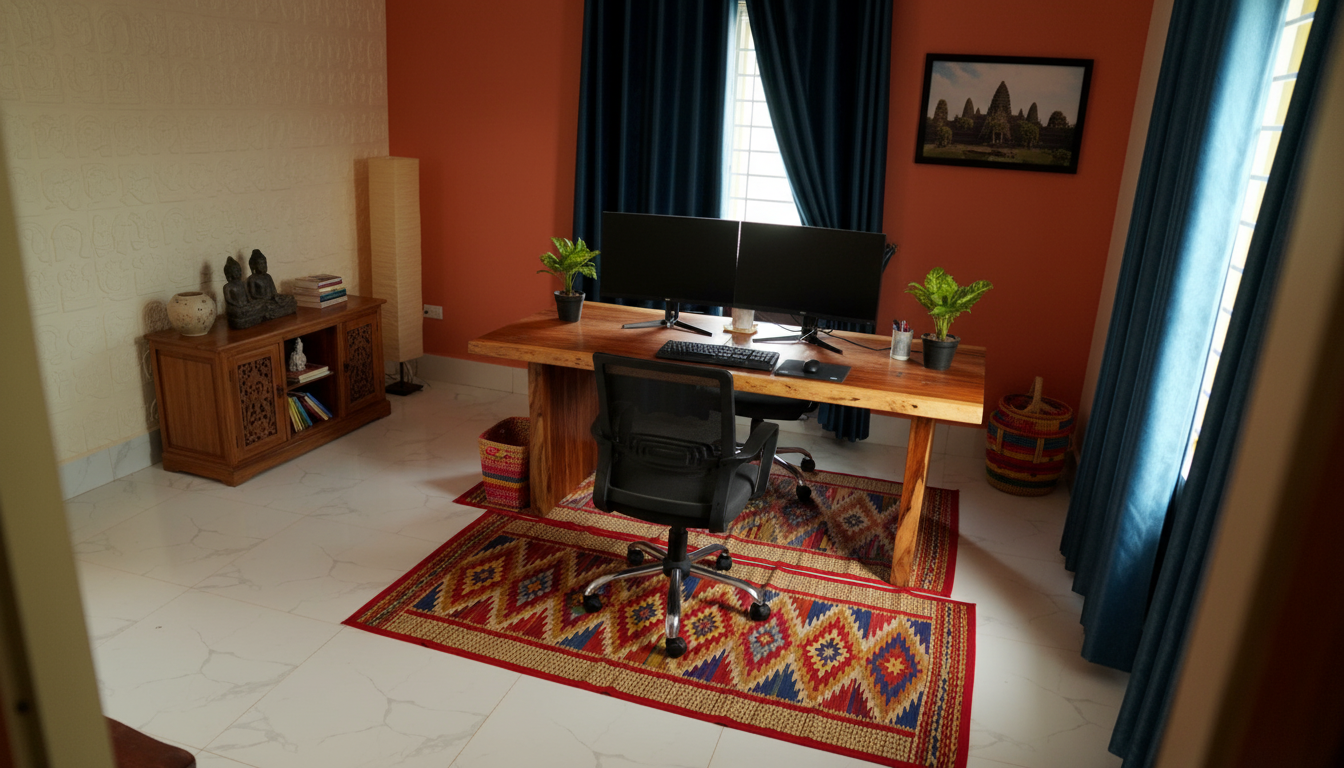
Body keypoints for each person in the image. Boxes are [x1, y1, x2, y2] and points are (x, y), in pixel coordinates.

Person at [245, 249, 297, 321]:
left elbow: (274, 291)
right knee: (265, 307)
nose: (263, 266)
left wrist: (277, 297)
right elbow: (252, 295)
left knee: (291, 298)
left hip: (272, 300)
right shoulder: (252, 279)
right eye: (260, 264)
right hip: (263, 302)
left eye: (264, 263)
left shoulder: (268, 276)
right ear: (254, 266)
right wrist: (264, 298)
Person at [222, 256, 267, 329]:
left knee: (261, 304)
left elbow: (248, 295)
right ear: (229, 273)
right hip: (236, 308)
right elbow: (228, 300)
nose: (238, 273)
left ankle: (254, 315)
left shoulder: (242, 283)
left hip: (245, 305)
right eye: (235, 271)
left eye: (239, 270)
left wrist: (251, 302)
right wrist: (237, 304)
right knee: (239, 313)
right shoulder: (227, 287)